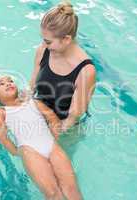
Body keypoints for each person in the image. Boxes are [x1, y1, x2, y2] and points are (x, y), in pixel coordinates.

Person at [0, 75, 82, 200]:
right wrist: (17, 152)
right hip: (30, 152)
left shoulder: (34, 103)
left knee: (71, 188)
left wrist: (51, 139)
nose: (8, 84)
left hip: (52, 147)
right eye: (1, 84)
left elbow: (54, 120)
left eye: (11, 81)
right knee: (53, 193)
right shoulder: (0, 113)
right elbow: (3, 139)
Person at [30, 2, 96, 134]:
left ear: (66, 39)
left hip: (66, 130)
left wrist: (48, 137)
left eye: (48, 41)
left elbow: (72, 118)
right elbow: (31, 89)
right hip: (41, 116)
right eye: (43, 39)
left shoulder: (85, 71)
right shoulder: (43, 50)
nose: (44, 44)